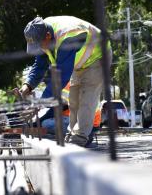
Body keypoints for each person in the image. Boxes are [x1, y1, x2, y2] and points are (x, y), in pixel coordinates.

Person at [19, 16, 111, 146]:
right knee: (73, 101)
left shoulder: (68, 36)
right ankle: (72, 135)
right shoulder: (42, 35)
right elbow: (40, 65)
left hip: (98, 57)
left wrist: (39, 103)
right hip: (81, 63)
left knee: (86, 98)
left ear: (48, 35)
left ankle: (80, 138)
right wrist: (27, 85)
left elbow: (60, 78)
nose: (38, 48)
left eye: (39, 45)